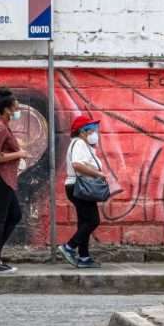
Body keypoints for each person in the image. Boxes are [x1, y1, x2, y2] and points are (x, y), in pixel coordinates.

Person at [0, 87, 30, 274]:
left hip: (4, 178)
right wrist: (19, 153)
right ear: (8, 109)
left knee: (14, 215)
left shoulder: (0, 124)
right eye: (16, 108)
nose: (18, 111)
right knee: (0, 219)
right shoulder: (0, 127)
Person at [57, 115, 105, 268]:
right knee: (93, 221)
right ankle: (69, 247)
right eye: (91, 130)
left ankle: (84, 257)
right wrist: (97, 174)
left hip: (79, 186)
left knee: (84, 222)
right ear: (82, 132)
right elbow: (77, 165)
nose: (94, 133)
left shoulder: (83, 145)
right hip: (80, 185)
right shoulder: (79, 144)